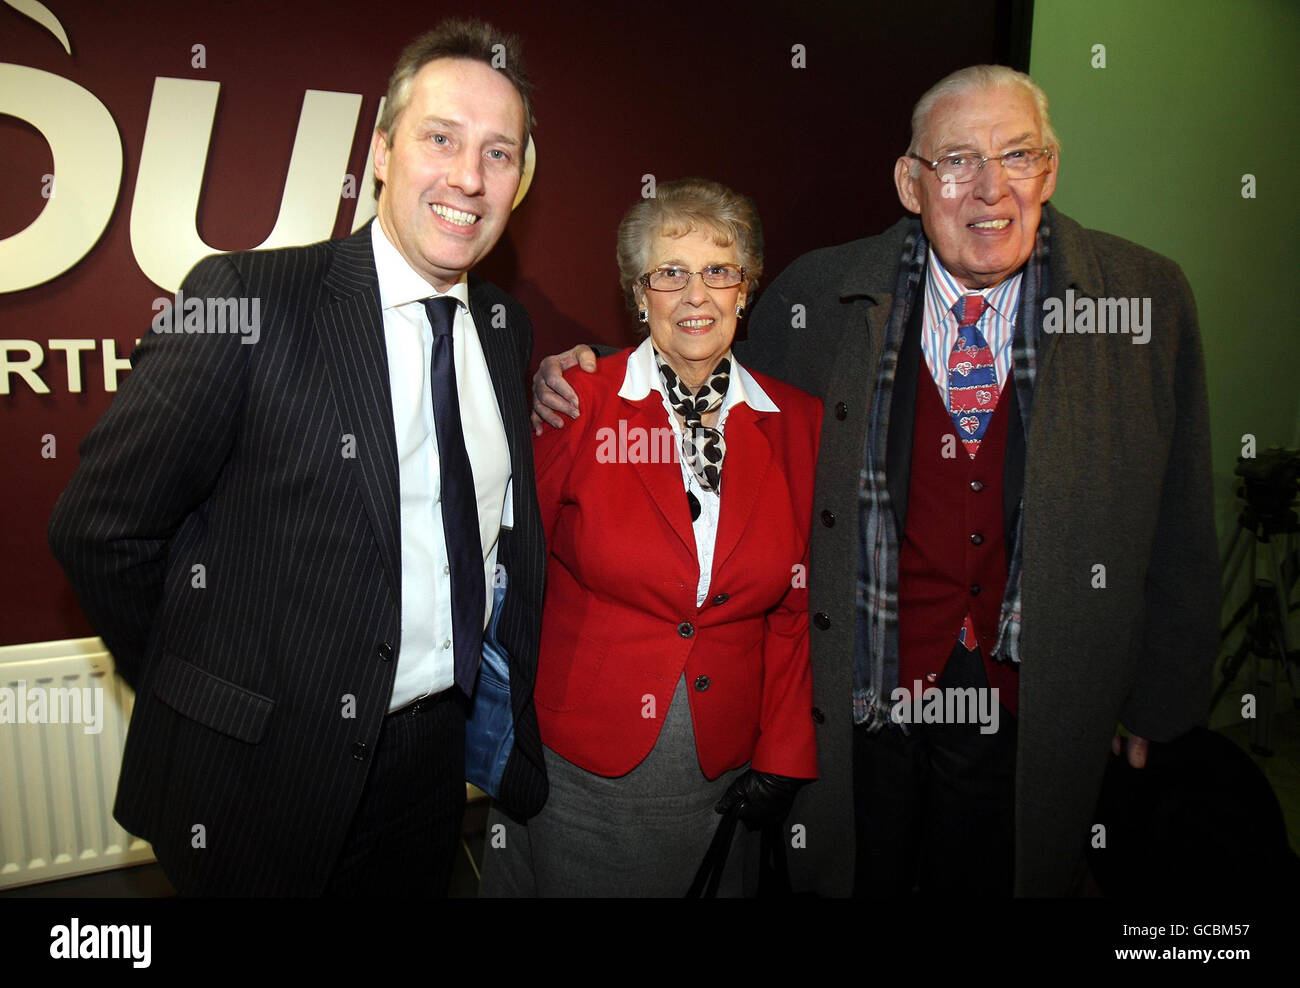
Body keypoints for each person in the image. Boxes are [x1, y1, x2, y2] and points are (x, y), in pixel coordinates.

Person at [532, 66, 1219, 896]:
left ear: (1052, 168)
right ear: (910, 181)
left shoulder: (1141, 301)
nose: (990, 188)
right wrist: (576, 376)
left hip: (1035, 696)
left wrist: (1165, 693)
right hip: (866, 693)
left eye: (1018, 155)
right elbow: (704, 382)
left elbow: (1181, 512)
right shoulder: (821, 294)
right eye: (958, 160)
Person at [47, 19, 548, 896]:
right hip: (254, 779)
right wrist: (203, 692)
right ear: (384, 151)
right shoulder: (247, 299)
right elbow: (100, 529)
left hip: (428, 769)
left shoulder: (504, 331)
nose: (469, 178)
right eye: (441, 139)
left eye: (499, 153)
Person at [480, 178, 820, 897]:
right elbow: (507, 565)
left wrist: (785, 751)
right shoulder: (578, 402)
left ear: (746, 289)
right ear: (640, 296)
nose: (695, 294)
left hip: (723, 763)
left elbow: (797, 610)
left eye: (717, 271)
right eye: (670, 273)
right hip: (581, 760)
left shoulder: (797, 423)